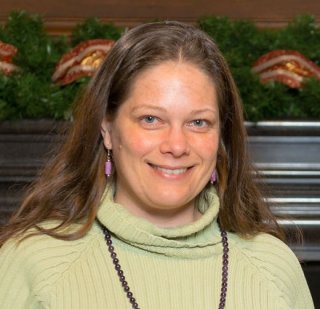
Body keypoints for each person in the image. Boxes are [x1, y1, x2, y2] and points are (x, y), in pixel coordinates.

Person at [0, 21, 314, 309]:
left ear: (221, 137)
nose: (176, 146)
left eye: (198, 122)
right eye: (151, 119)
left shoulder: (273, 267)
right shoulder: (33, 264)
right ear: (107, 128)